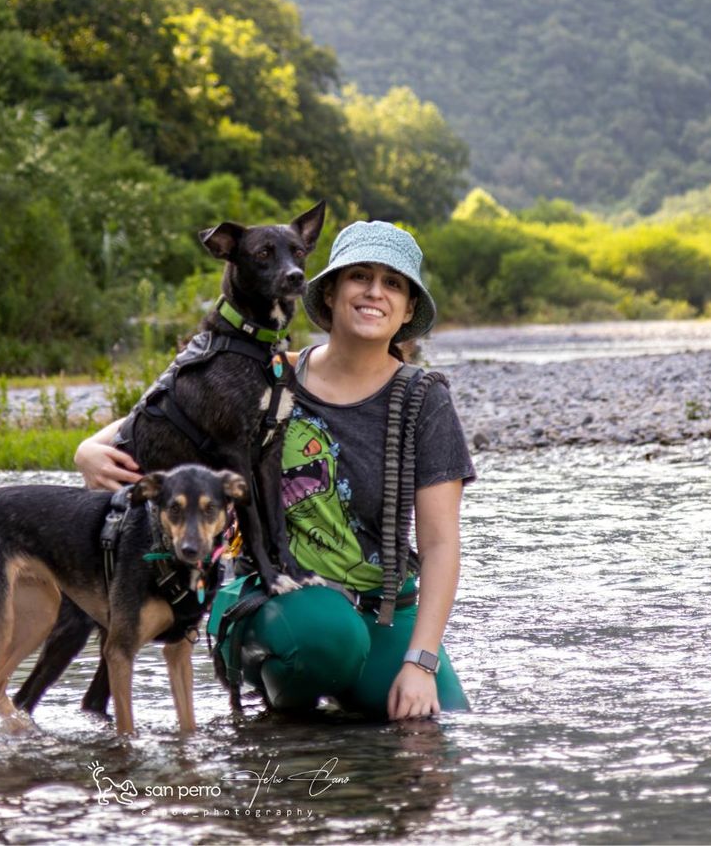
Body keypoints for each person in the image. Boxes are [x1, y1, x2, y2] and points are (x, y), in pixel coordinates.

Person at [77, 220, 473, 719]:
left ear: (408, 308)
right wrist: (90, 448)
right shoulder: (270, 373)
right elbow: (164, 408)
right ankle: (287, 729)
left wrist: (420, 661)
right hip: (276, 603)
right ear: (328, 292)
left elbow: (440, 546)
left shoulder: (423, 399)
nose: (375, 292)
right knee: (325, 639)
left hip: (382, 610)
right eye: (360, 277)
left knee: (441, 725)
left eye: (392, 284)